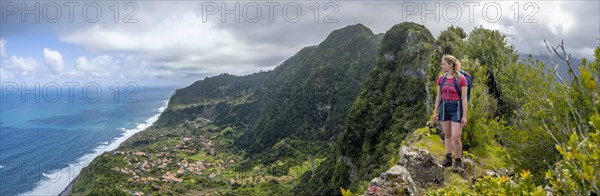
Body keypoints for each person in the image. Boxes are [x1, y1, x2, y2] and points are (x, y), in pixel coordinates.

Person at [433, 54, 468, 172]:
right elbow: (438, 96)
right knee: (447, 134)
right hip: (444, 107)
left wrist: (464, 116)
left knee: (456, 137)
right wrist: (435, 112)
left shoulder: (461, 79)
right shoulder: (441, 79)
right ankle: (448, 158)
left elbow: (464, 99)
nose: (441, 66)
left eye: (443, 64)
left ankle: (458, 161)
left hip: (456, 108)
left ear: (450, 65)